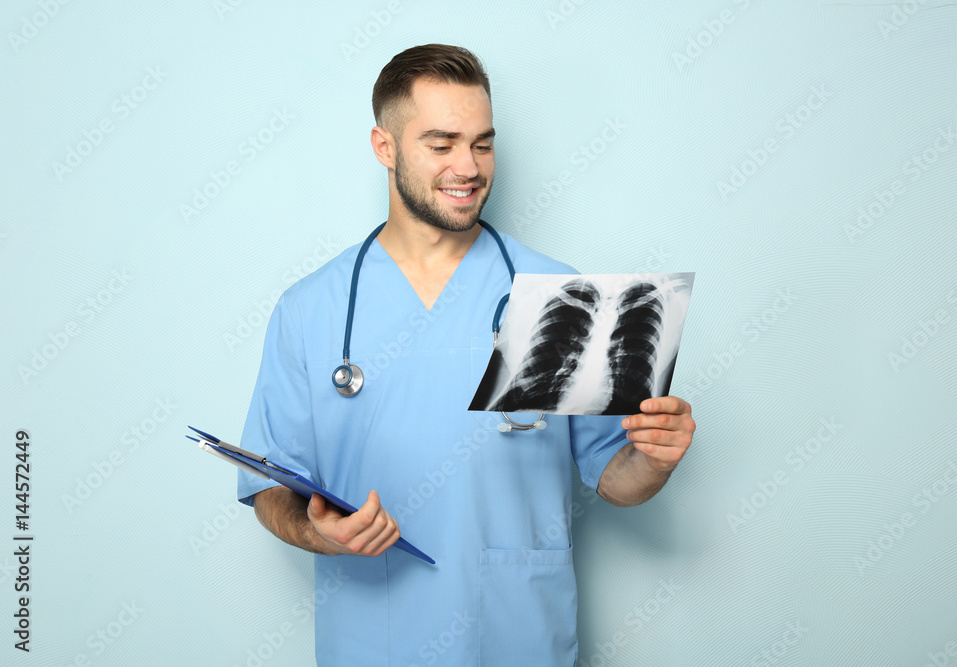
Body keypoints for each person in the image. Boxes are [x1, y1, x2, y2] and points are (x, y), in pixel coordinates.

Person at [237, 43, 695, 666]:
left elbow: (614, 478)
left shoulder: (559, 299)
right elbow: (271, 485)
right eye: (442, 143)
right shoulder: (310, 309)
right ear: (385, 147)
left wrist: (654, 459)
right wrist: (317, 530)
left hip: (517, 637)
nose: (470, 166)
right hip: (373, 642)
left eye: (483, 143)